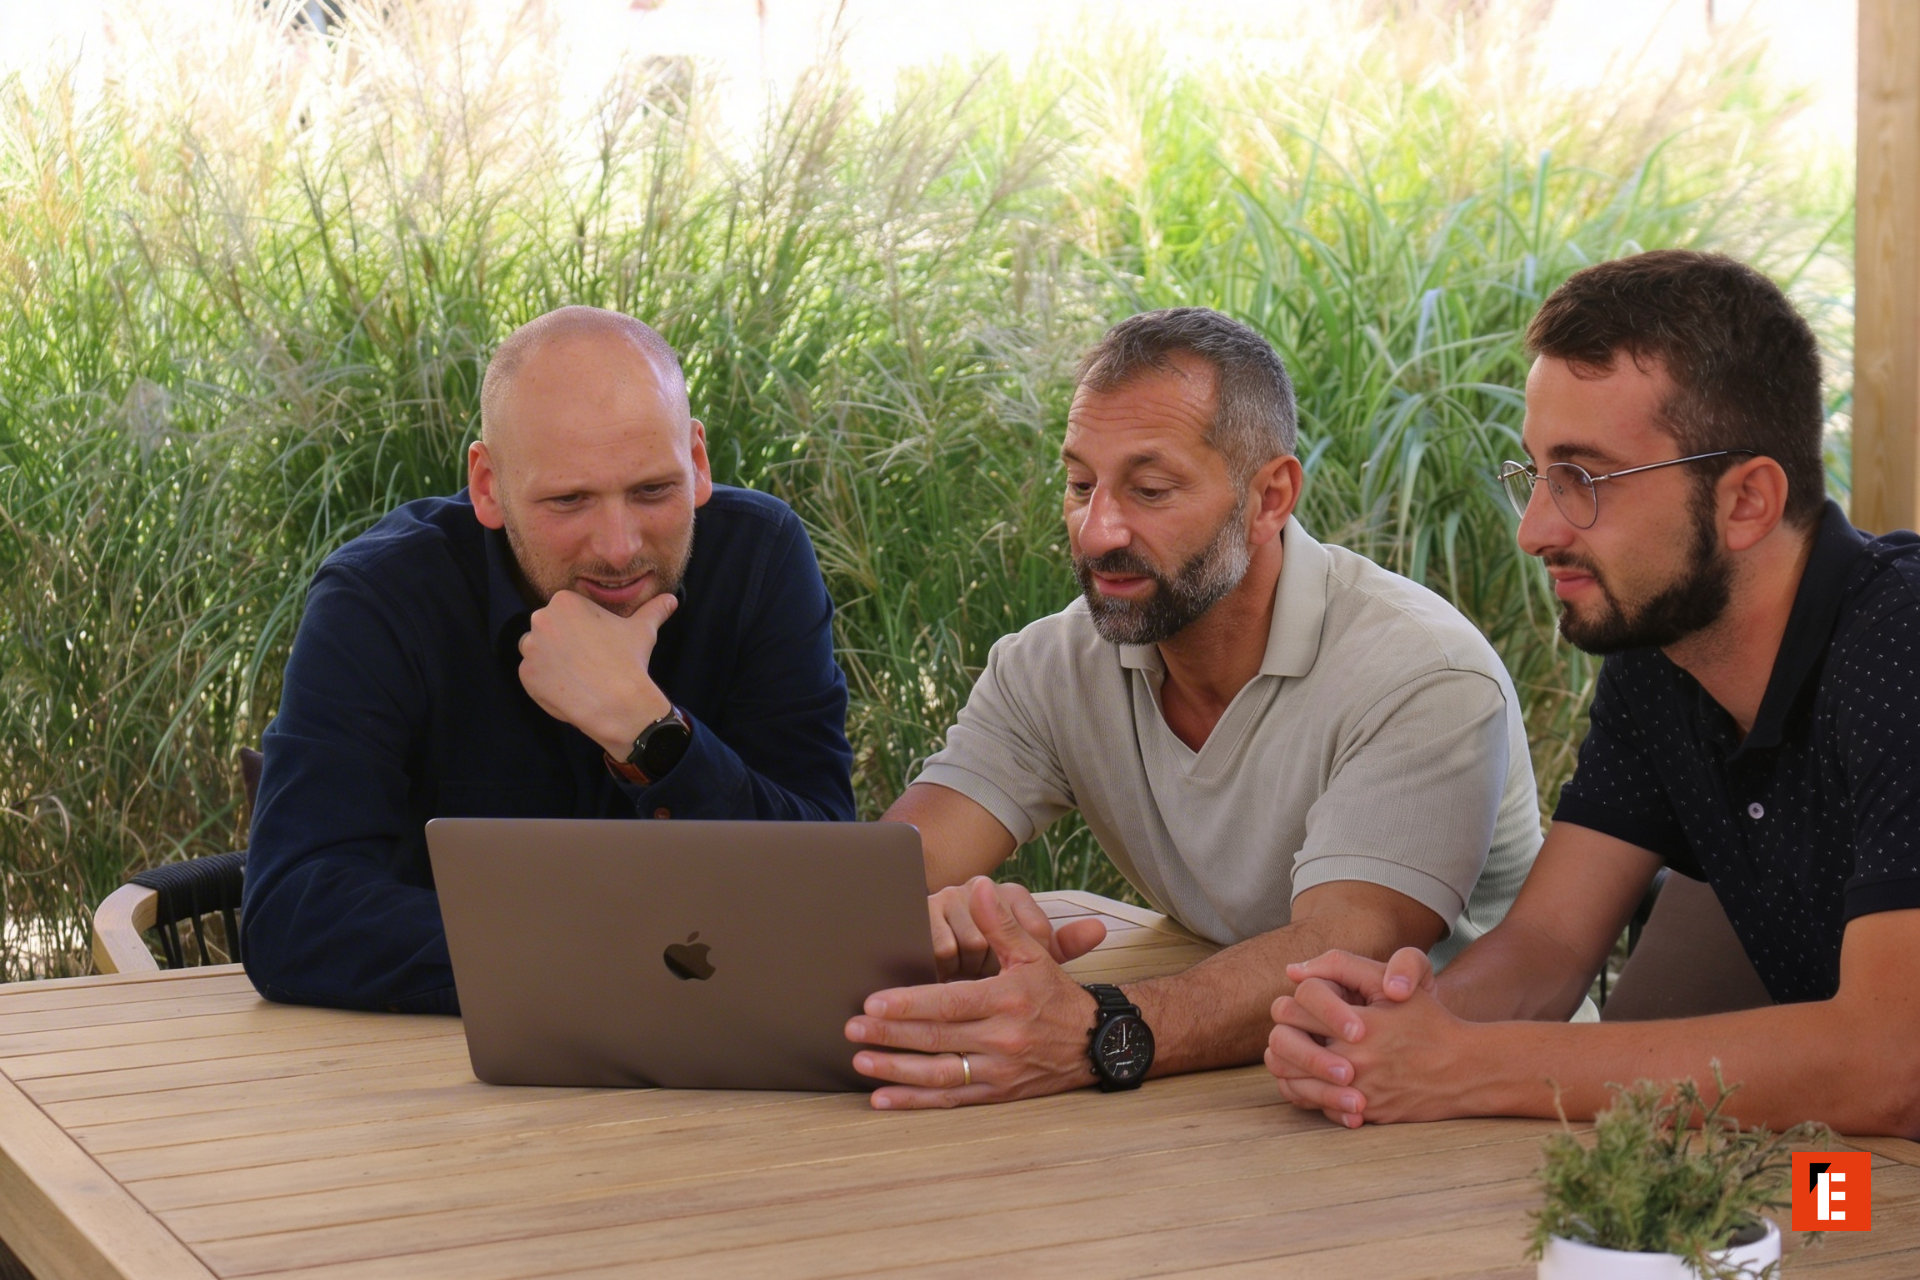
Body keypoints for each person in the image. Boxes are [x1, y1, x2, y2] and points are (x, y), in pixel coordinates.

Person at [1267, 250, 1920, 1138]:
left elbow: (1888, 1064)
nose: (1536, 530)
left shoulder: (1901, 644)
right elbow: (1545, 952)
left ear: (1747, 502)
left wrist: (1464, 1066)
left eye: (1583, 480)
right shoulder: (1665, 651)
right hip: (1860, 1173)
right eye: (1533, 472)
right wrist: (1378, 1037)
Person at [843, 307, 1542, 1108]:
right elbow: (886, 881)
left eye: (1149, 489)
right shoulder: (1051, 664)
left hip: (1474, 1112)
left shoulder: (1423, 674)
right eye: (1079, 484)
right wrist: (940, 923)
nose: (1097, 529)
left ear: (1270, 496)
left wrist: (1091, 1031)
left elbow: (1339, 956)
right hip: (1241, 1087)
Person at [242, 307, 855, 1013]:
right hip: (437, 1077)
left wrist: (649, 734)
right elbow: (294, 914)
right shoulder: (382, 596)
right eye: (570, 500)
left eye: (653, 490)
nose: (620, 546)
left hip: (736, 1056)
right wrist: (628, 958)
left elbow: (828, 887)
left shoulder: (760, 560)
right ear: (487, 485)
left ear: (698, 462)